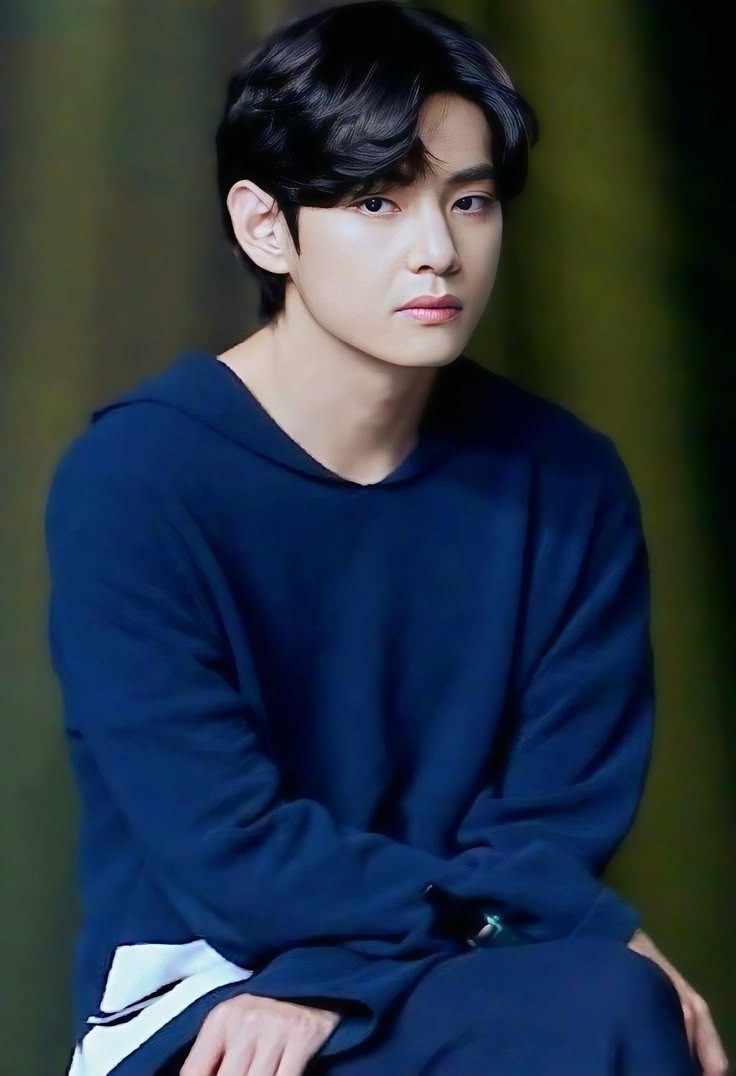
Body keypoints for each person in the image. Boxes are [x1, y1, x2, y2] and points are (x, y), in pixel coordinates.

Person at [43, 2, 727, 1074]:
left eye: (470, 201)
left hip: (464, 962)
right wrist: (375, 961)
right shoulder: (133, 481)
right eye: (377, 201)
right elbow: (228, 847)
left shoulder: (566, 482)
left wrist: (346, 977)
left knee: (612, 1004)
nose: (438, 251)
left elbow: (552, 826)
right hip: (208, 988)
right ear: (265, 226)